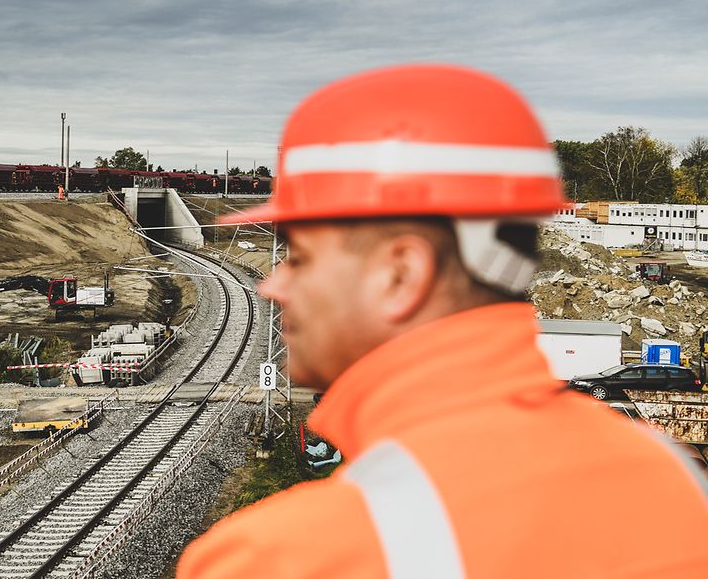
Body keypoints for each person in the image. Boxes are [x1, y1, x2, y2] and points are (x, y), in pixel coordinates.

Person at [177, 64, 708, 578]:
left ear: (401, 275)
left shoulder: (283, 558)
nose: (273, 285)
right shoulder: (678, 483)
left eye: (301, 257)